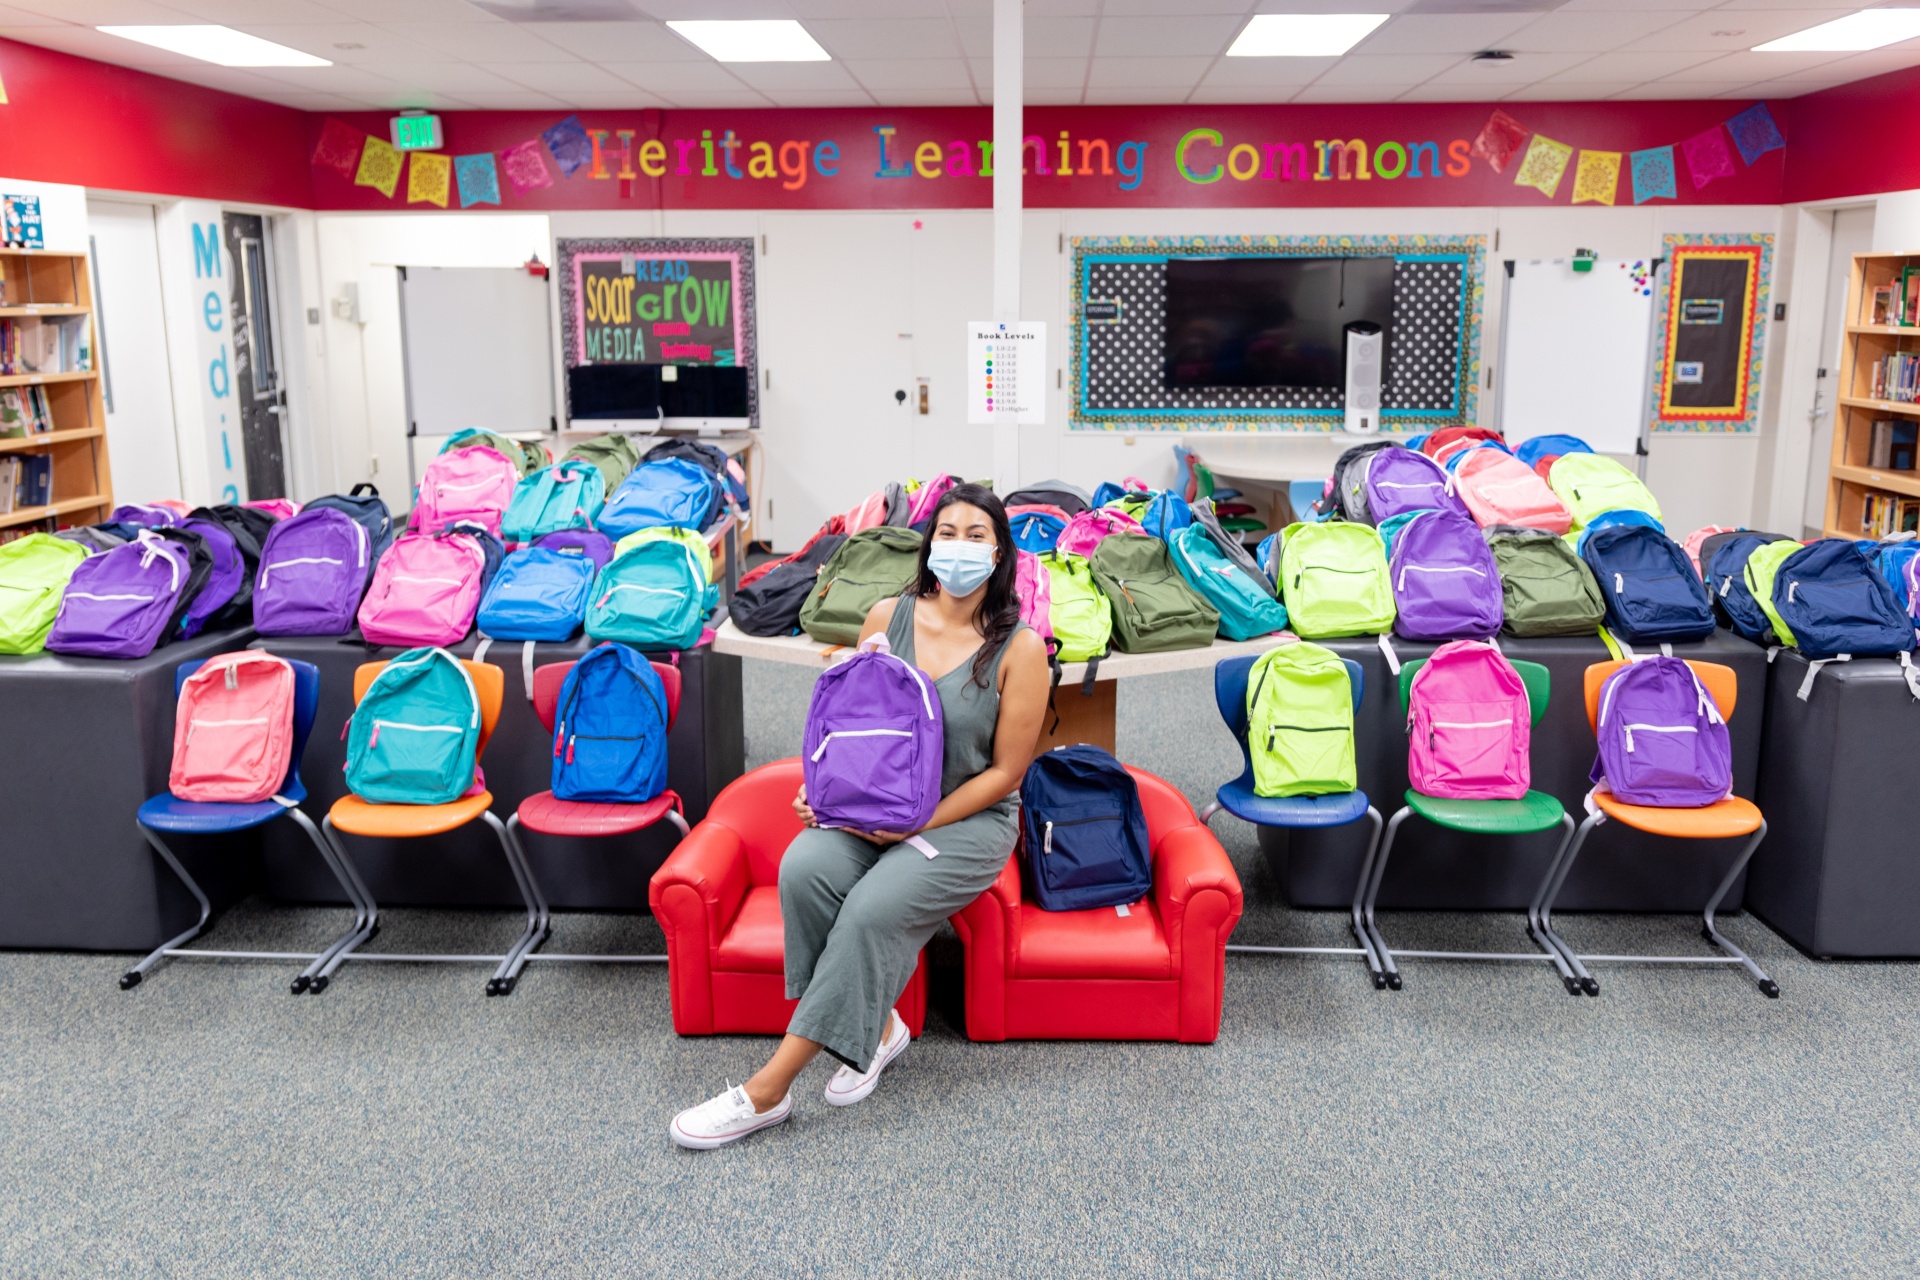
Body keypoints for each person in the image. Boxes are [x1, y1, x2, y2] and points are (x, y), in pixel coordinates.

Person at [671, 484, 1049, 1149]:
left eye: (976, 535)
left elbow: (1005, 774)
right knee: (804, 868)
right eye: (948, 532)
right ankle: (878, 1031)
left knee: (872, 909)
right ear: (929, 544)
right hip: (875, 806)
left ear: (1000, 553)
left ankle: (768, 1090)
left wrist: (916, 823)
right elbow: (853, 727)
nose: (959, 547)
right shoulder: (885, 618)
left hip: (966, 822)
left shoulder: (1019, 650)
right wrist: (824, 794)